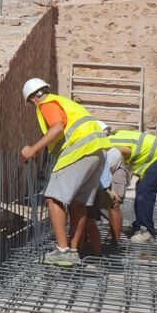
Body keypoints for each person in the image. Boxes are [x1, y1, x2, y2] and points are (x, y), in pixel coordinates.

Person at [20, 78, 112, 266]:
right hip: (97, 153)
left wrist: (33, 149)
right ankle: (73, 250)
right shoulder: (66, 103)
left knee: (53, 197)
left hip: (78, 152)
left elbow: (58, 128)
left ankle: (62, 251)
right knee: (79, 204)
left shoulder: (46, 103)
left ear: (32, 98)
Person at [107, 129, 157, 243]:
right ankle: (139, 225)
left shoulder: (108, 144)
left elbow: (126, 151)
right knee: (141, 187)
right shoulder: (114, 135)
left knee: (145, 190)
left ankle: (147, 232)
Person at [82, 144, 129, 256]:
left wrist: (111, 193)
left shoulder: (100, 158)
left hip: (116, 166)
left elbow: (103, 183)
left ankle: (115, 243)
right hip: (96, 171)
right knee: (84, 210)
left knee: (114, 205)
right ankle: (84, 242)